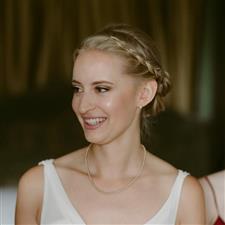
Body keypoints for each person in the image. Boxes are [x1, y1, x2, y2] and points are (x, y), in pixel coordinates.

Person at [15, 24, 205, 224]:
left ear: (144, 94)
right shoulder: (38, 186)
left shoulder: (184, 196)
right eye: (78, 89)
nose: (82, 105)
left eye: (102, 89)